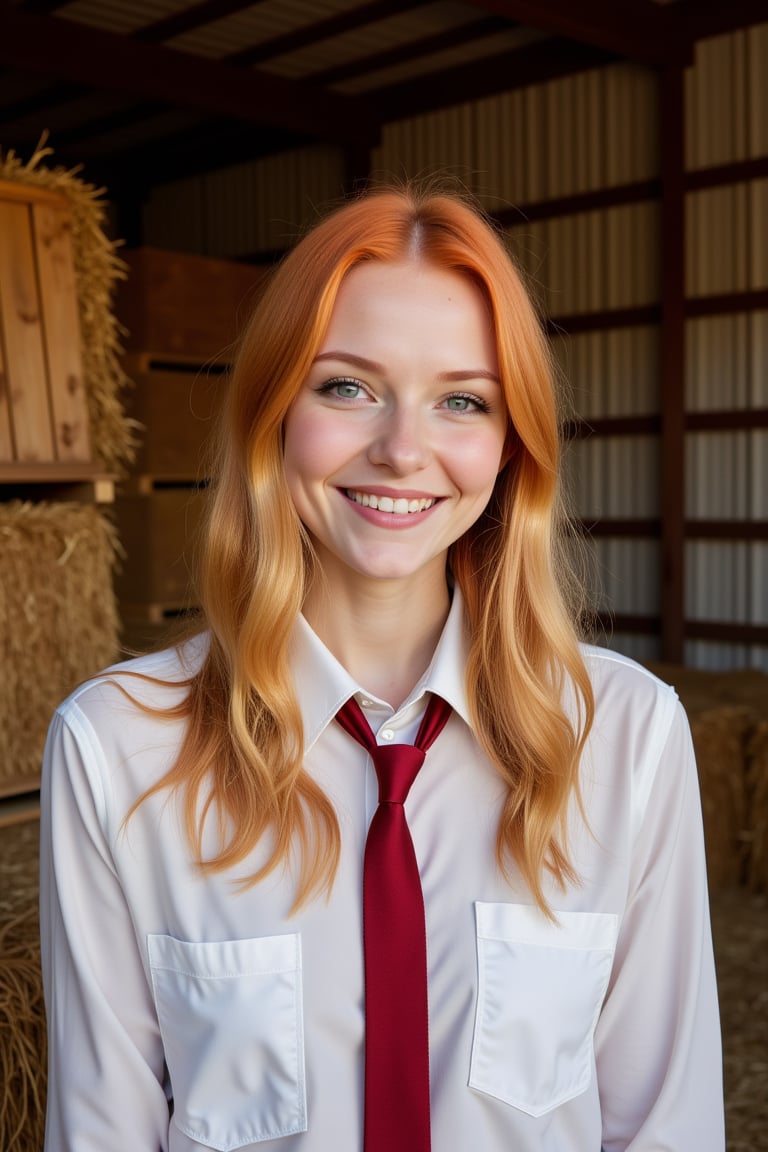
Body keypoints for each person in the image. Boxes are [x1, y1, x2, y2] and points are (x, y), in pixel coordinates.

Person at [40, 182, 724, 1152]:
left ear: (510, 443)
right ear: (274, 411)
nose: (404, 450)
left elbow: (666, 1125)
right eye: (347, 387)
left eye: (461, 400)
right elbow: (98, 1131)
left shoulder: (629, 737)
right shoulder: (117, 749)